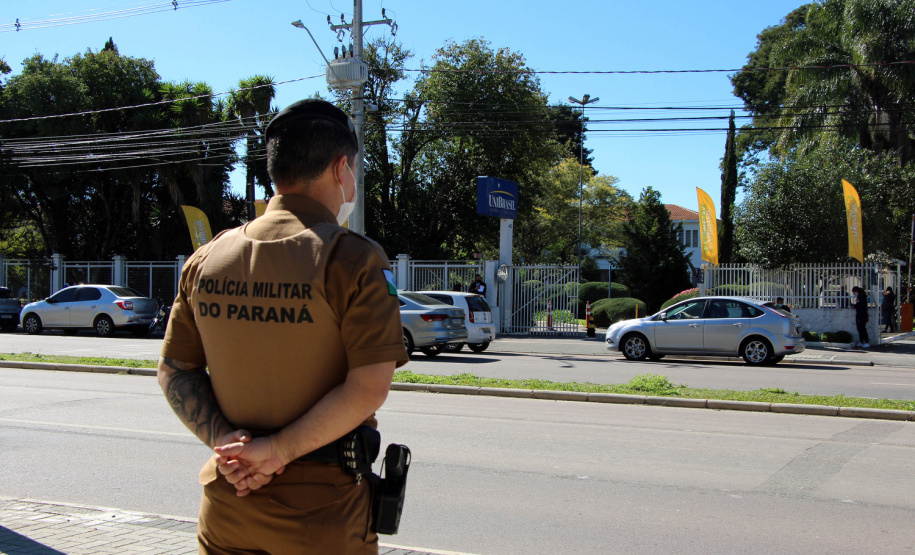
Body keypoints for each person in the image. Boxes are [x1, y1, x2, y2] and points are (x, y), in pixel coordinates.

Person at [157, 99, 408, 554]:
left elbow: (175, 371)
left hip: (227, 502)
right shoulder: (352, 259)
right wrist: (276, 452)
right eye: (352, 170)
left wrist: (227, 442)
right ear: (339, 168)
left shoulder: (207, 258)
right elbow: (369, 387)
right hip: (322, 515)